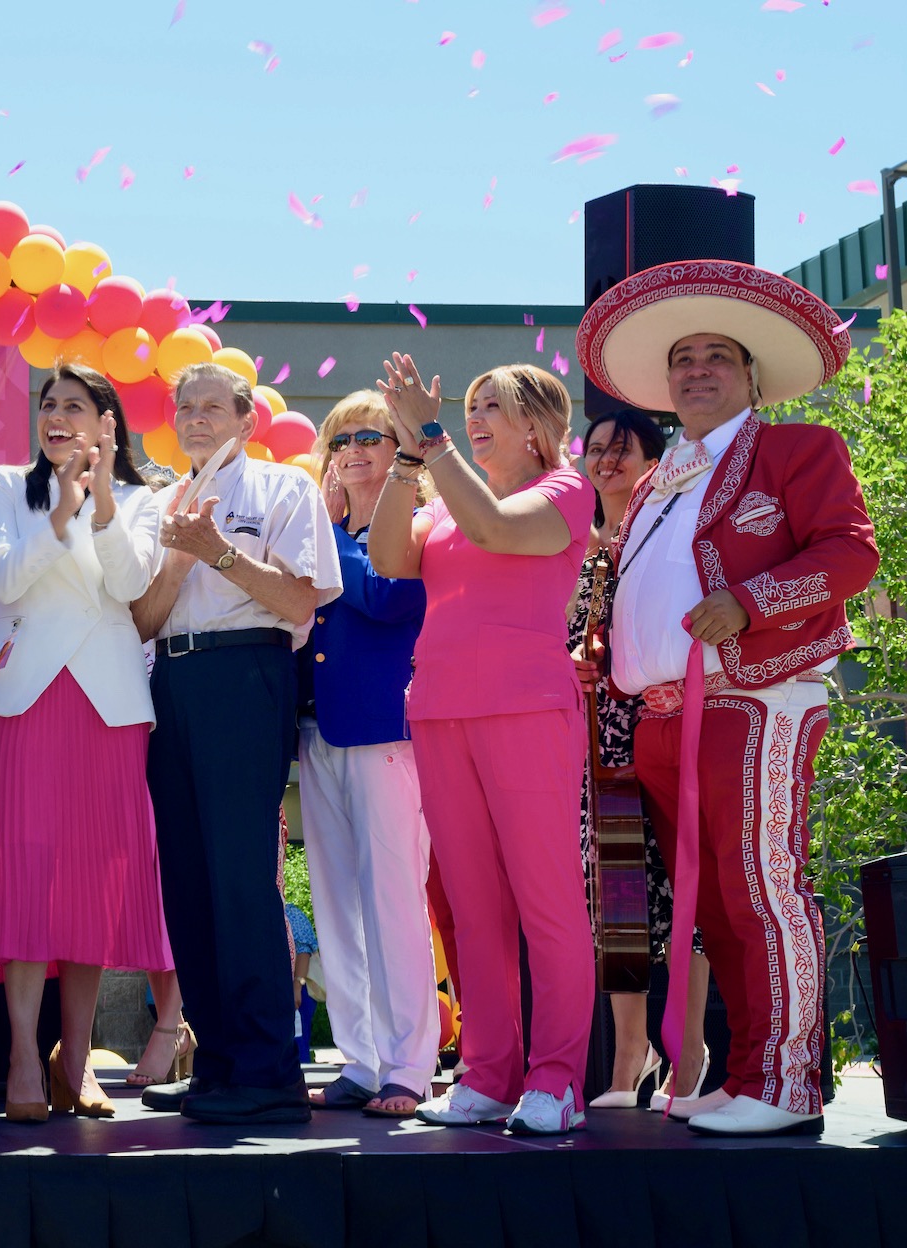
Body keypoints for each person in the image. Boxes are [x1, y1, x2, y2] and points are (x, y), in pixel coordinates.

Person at [576, 259, 878, 1136]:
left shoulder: (795, 448)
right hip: (661, 715)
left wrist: (748, 603)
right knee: (709, 907)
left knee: (760, 887)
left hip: (756, 694)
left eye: (716, 356)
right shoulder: (660, 475)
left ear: (750, 376)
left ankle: (784, 1085)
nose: (696, 369)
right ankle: (745, 1073)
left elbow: (849, 555)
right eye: (683, 358)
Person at [366, 356, 597, 1136]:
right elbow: (387, 559)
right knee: (470, 907)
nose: (473, 417)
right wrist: (406, 454)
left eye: (491, 405)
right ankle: (490, 1072)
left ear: (537, 425)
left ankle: (558, 1077)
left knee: (546, 900)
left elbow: (495, 528)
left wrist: (430, 442)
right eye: (471, 405)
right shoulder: (440, 495)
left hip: (526, 711)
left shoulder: (564, 491)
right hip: (438, 712)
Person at [0, 363, 171, 1122]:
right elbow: (4, 583)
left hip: (107, 706)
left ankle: (73, 1062)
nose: (57, 415)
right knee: (22, 877)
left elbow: (132, 586)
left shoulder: (142, 499)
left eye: (75, 405)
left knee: (91, 885)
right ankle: (21, 1051)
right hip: (22, 704)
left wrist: (101, 497)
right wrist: (60, 509)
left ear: (107, 421)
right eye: (48, 404)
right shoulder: (6, 488)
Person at [130, 362, 340, 1126]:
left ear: (247, 419)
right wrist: (178, 558)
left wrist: (216, 550)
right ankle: (216, 1062)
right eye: (184, 407)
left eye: (211, 407)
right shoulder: (157, 503)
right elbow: (142, 622)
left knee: (239, 875)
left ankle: (266, 1070)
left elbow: (298, 599)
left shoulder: (286, 490)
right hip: (169, 683)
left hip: (246, 673)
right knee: (186, 879)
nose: (194, 418)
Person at [297, 391, 436, 1119]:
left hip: (386, 734)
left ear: (399, 450)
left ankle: (409, 1064)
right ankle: (358, 1056)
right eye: (339, 437)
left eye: (370, 436)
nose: (352, 448)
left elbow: (389, 602)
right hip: (317, 733)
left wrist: (323, 537)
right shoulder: (325, 528)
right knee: (337, 904)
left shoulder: (411, 522)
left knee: (390, 904)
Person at [570, 411, 713, 1112]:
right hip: (595, 741)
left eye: (621, 450)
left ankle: (687, 1048)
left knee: (684, 889)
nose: (606, 461)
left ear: (653, 461)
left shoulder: (667, 534)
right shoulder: (570, 545)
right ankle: (631, 1051)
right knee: (616, 897)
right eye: (594, 449)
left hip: (665, 722)